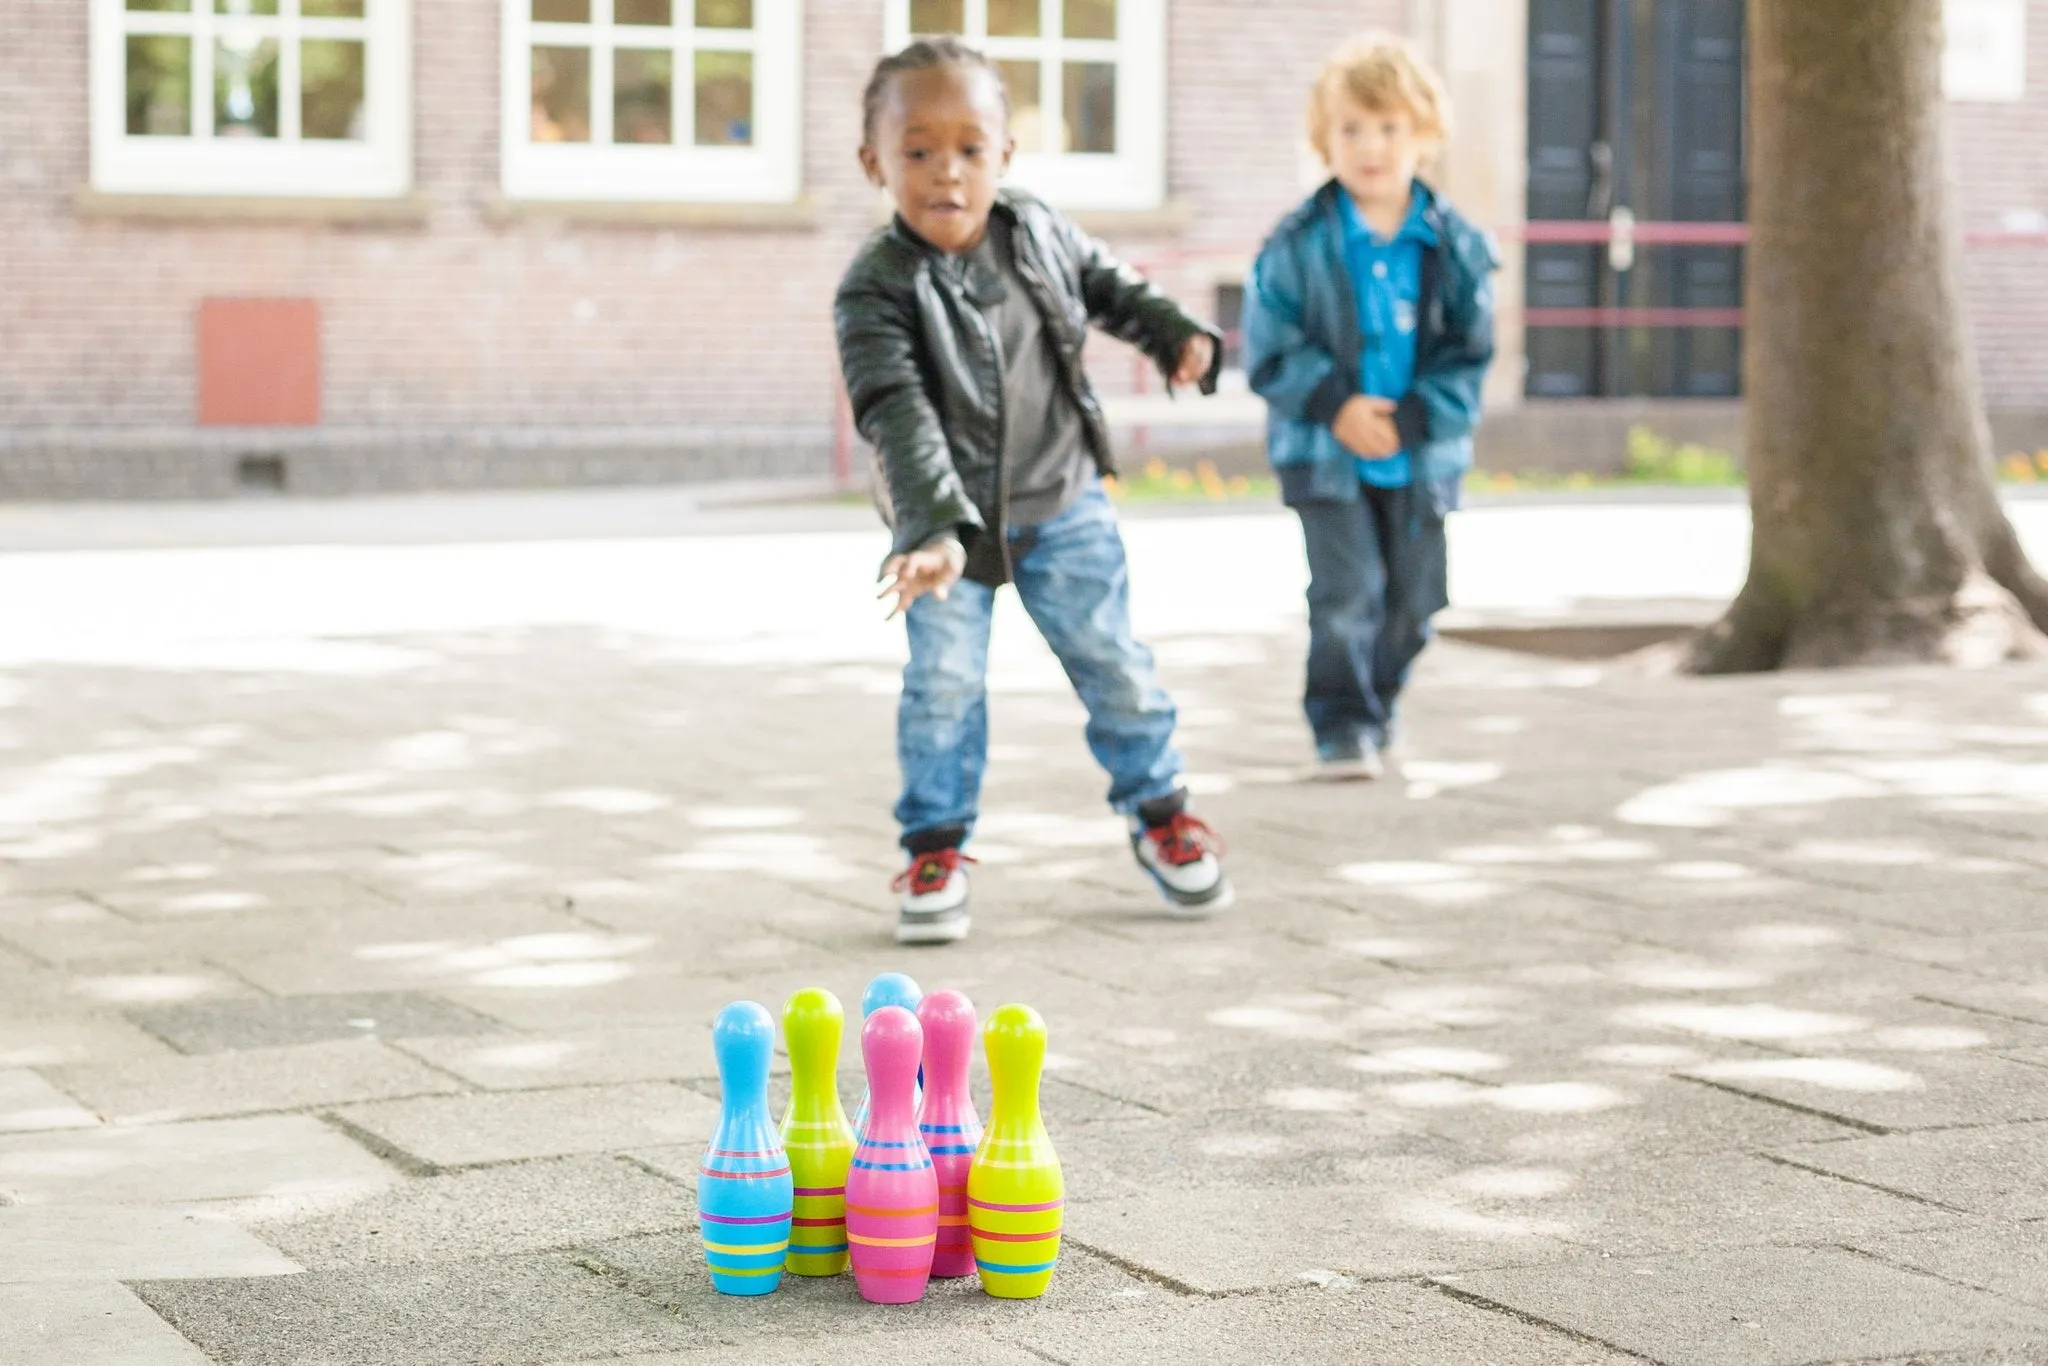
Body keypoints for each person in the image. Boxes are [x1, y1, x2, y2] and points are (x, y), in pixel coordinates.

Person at [834, 36, 1233, 945]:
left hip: (1064, 500)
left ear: (1005, 157)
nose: (948, 174)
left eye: (971, 149)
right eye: (918, 151)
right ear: (875, 163)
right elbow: (895, 410)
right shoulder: (874, 287)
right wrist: (933, 530)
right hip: (947, 532)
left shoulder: (1038, 227)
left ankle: (1162, 813)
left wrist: (1175, 333)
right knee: (942, 686)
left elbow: (1109, 285)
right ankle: (935, 846)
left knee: (1115, 663)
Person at [1242, 33, 1499, 780]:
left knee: (1417, 601)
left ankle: (1380, 702)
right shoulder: (1293, 246)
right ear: (1325, 141)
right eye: (1351, 129)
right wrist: (1336, 404)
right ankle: (1342, 724)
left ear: (1425, 136)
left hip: (1422, 449)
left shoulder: (1458, 250)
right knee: (1348, 592)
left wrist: (1413, 418)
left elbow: (1469, 352)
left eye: (1389, 128)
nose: (1371, 146)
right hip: (1326, 451)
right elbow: (1271, 344)